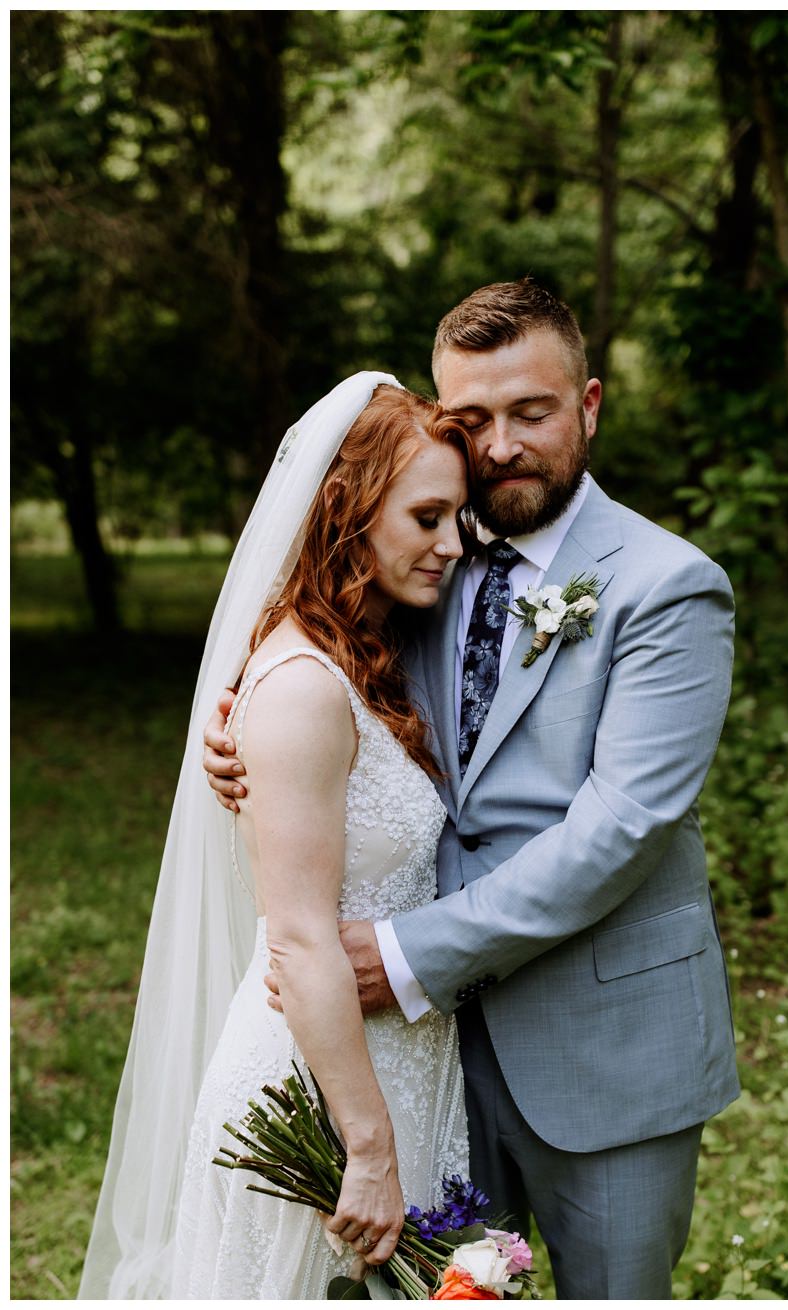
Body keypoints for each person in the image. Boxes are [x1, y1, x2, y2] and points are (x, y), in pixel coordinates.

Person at [202, 281, 739, 1298]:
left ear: (587, 403)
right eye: (471, 418)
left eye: (529, 412)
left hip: (601, 1042)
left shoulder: (668, 584)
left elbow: (621, 828)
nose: (498, 446)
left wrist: (407, 953)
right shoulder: (425, 556)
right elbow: (316, 670)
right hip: (433, 1056)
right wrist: (230, 722)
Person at [81, 376, 477, 1297]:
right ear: (349, 511)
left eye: (459, 518)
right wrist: (368, 1145)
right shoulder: (303, 685)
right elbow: (299, 939)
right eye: (426, 517)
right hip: (320, 1092)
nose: (451, 545)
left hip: (397, 1063)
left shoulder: (366, 653)